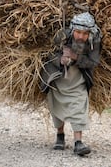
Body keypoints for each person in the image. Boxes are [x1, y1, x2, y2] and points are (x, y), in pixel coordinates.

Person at [40, 12, 102, 156]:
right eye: (78, 32)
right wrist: (60, 59)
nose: (81, 36)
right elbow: (47, 53)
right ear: (73, 29)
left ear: (90, 33)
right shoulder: (61, 35)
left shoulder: (95, 40)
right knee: (57, 106)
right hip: (58, 78)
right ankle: (60, 136)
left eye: (85, 33)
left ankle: (78, 143)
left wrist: (75, 58)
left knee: (79, 106)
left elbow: (93, 62)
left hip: (78, 79)